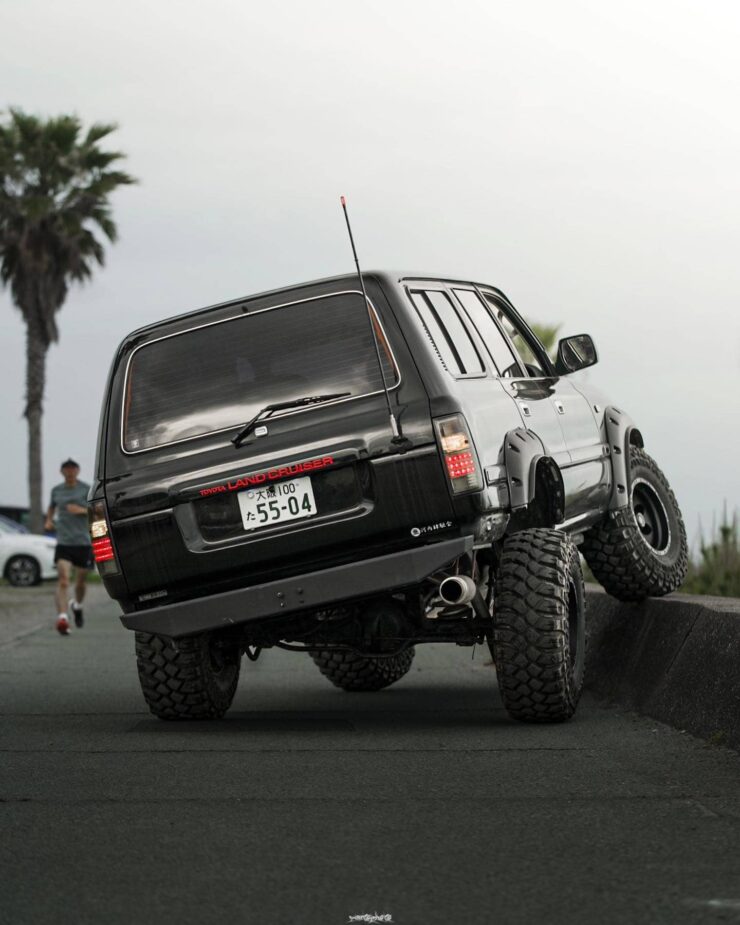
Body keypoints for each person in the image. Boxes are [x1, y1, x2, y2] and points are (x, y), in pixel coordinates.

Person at [45, 459, 93, 636]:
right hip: (64, 542)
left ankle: (77, 606)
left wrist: (81, 510)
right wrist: (49, 520)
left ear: (78, 471)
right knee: (64, 580)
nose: (70, 472)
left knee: (80, 582)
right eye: (66, 469)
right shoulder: (56, 490)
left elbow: (98, 510)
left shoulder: (86, 489)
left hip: (83, 542)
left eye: (73, 469)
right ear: (62, 472)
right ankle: (63, 618)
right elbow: (51, 507)